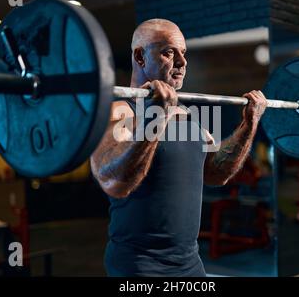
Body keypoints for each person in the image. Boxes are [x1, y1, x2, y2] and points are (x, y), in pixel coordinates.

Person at [90, 19, 267, 276]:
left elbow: (216, 173)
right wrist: (155, 116)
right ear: (140, 57)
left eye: (183, 53)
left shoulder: (186, 115)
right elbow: (116, 183)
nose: (182, 64)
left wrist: (249, 124)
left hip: (191, 265)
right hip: (139, 267)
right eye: (169, 52)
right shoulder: (117, 112)